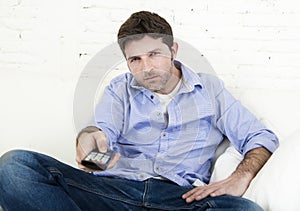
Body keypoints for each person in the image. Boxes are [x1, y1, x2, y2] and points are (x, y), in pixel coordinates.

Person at [0, 11, 279, 210]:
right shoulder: (119, 90)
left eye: (154, 54)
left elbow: (260, 137)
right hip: (113, 191)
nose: (146, 67)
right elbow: (100, 134)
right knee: (15, 167)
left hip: (181, 199)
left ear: (174, 50)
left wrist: (240, 177)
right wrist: (89, 145)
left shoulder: (210, 90)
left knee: (244, 209)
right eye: (135, 59)